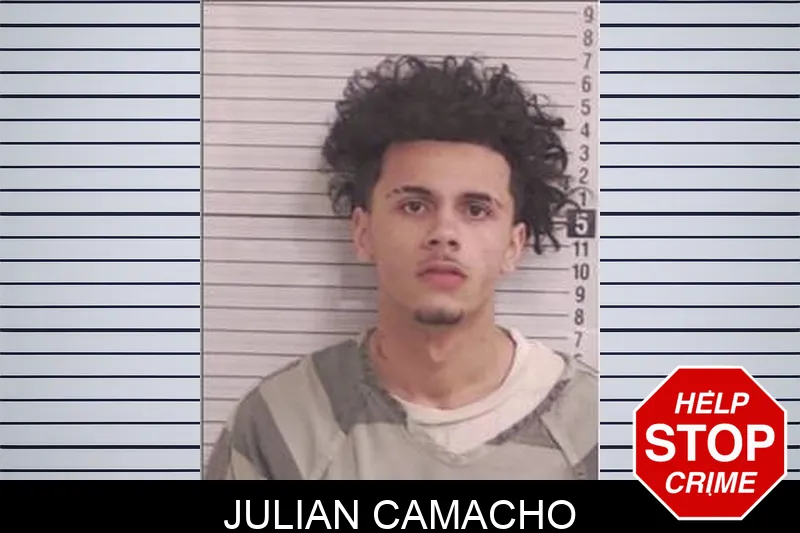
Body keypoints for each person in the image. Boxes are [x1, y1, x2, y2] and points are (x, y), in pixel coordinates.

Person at [205, 55, 597, 480]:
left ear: (513, 245)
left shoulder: (597, 431)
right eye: (414, 206)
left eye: (476, 210)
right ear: (364, 232)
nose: (444, 233)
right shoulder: (280, 426)